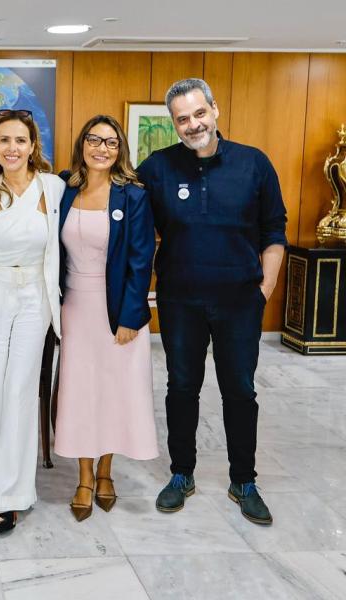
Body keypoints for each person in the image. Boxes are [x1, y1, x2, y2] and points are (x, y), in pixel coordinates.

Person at [138, 78, 287, 525]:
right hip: (180, 301)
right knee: (181, 388)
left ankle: (244, 480)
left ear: (215, 110)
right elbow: (134, 227)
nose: (192, 124)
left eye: (199, 113)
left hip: (241, 300)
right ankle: (181, 473)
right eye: (182, 118)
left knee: (239, 390)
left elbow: (275, 233)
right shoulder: (158, 168)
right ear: (174, 123)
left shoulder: (253, 164)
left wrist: (263, 292)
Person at [0, 108, 65, 534]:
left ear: (32, 145)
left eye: (20, 140)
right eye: (4, 140)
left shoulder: (54, 188)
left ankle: (14, 495)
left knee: (21, 390)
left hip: (35, 295)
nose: (12, 148)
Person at [53, 115, 159, 522]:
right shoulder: (64, 188)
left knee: (115, 391)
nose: (102, 148)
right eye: (94, 140)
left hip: (118, 310)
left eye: (111, 143)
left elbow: (140, 261)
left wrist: (132, 316)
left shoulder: (132, 196)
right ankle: (82, 476)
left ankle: (106, 472)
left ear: (120, 151)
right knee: (80, 392)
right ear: (82, 144)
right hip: (75, 307)